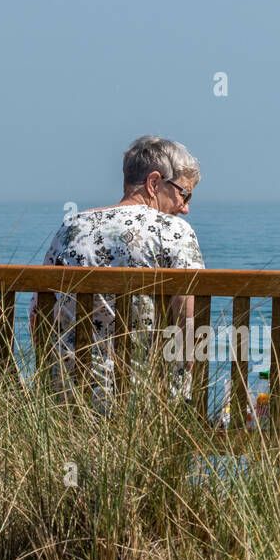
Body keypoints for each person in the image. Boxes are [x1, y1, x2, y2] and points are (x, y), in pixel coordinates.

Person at [37, 135, 204, 403]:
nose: (184, 208)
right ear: (154, 182)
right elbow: (189, 324)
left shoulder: (72, 227)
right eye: (184, 194)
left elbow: (38, 313)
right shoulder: (173, 232)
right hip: (145, 398)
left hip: (67, 394)